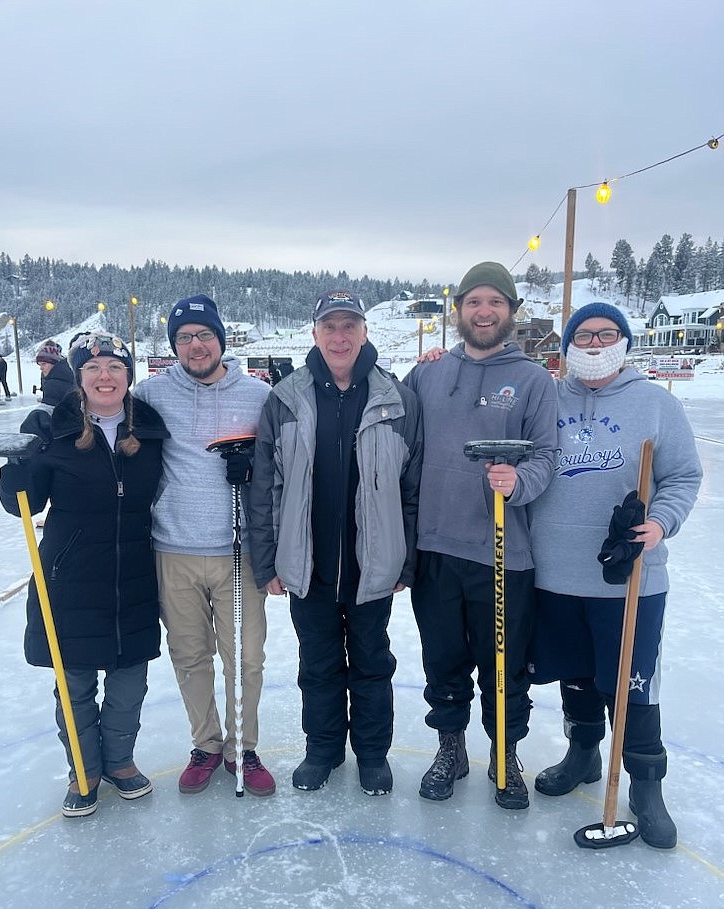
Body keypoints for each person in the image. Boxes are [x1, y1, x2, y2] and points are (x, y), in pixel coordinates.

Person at [527, 303, 702, 848]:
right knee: (576, 674)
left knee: (632, 683)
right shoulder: (547, 398)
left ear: (624, 342)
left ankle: (647, 786)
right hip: (554, 572)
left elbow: (682, 475)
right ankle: (582, 754)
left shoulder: (654, 403)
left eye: (607, 334)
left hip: (627, 577)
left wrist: (659, 522)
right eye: (584, 334)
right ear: (567, 345)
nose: (595, 343)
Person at [249, 290, 422, 795]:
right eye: (330, 326)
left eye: (350, 326)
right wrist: (267, 562)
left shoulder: (398, 400)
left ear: (365, 332)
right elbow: (267, 488)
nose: (340, 336)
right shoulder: (286, 399)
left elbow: (412, 490)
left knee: (372, 664)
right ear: (315, 334)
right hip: (309, 565)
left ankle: (371, 754)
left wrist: (405, 563)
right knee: (318, 666)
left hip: (374, 567)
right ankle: (322, 749)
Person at [404, 262, 557, 809]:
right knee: (443, 660)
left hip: (503, 552)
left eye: (495, 302)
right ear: (459, 310)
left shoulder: (537, 381)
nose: (484, 311)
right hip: (436, 547)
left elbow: (547, 456)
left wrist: (519, 481)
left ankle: (504, 754)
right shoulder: (427, 375)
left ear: (511, 311)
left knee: (503, 664)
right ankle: (451, 748)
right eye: (474, 302)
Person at [0, 332, 169, 817]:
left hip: (133, 572)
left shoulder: (152, 427)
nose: (105, 376)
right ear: (79, 377)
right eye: (93, 369)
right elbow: (21, 505)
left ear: (128, 376)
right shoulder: (53, 428)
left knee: (129, 682)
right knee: (74, 684)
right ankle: (84, 770)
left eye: (115, 367)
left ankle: (120, 762)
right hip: (69, 576)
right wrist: (15, 476)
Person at [134, 295, 276, 797]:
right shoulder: (150, 394)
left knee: (246, 658)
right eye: (184, 338)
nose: (195, 346)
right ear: (174, 346)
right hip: (172, 548)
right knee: (189, 655)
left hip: (237, 551)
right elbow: (100, 408)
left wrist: (253, 468)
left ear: (221, 339)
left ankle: (244, 747)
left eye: (204, 335)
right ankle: (207, 743)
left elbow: (284, 466)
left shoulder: (258, 396)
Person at [35, 340, 74, 407]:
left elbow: (49, 412)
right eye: (40, 365)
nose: (41, 368)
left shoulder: (53, 385)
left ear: (53, 362)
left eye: (44, 364)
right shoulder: (69, 372)